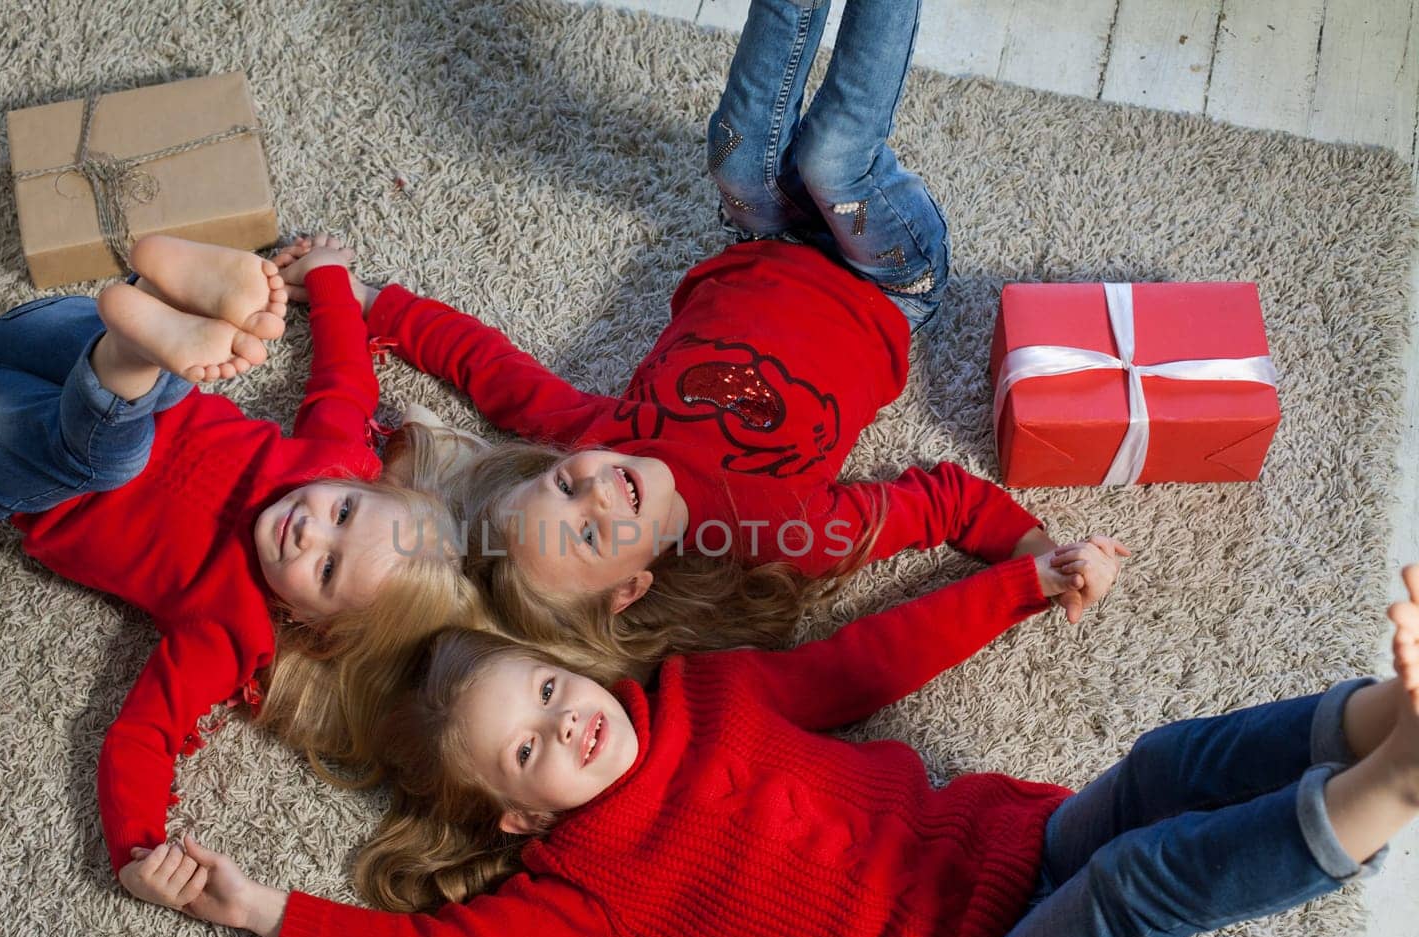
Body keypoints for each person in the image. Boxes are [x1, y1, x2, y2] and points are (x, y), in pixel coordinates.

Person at [132, 563, 1419, 937]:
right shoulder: (591, 881)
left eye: (546, 690)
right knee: (1144, 882)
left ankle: (1374, 714)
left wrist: (1016, 586)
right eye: (528, 749)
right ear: (521, 816)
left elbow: (869, 661)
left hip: (1006, 845)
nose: (564, 721)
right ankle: (1403, 777)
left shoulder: (712, 689)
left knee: (1149, 773)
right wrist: (257, 907)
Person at [285, 0, 1129, 678]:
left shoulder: (597, 437)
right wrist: (1035, 552)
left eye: (559, 484)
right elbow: (941, 501)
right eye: (588, 530)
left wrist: (369, 301)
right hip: (886, 285)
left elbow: (486, 366)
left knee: (736, 147)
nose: (589, 484)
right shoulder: (784, 534)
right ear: (631, 587)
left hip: (764, 242)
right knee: (833, 156)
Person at [0, 235, 482, 890]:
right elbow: (344, 377)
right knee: (153, 394)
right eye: (343, 515)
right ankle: (147, 334)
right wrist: (329, 278)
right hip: (57, 340)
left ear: (309, 623)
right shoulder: (335, 458)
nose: (310, 532)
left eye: (327, 571)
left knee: (113, 455)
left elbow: (143, 736)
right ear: (367, 483)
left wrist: (137, 853)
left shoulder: (231, 630)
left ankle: (144, 330)